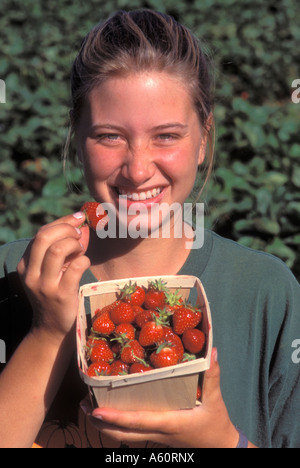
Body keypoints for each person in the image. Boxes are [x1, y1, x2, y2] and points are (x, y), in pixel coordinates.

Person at [0, 9, 299, 449]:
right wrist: (46, 332)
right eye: (109, 136)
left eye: (166, 136)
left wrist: (221, 440)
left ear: (203, 140)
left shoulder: (266, 294)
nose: (138, 169)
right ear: (77, 139)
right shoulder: (11, 275)